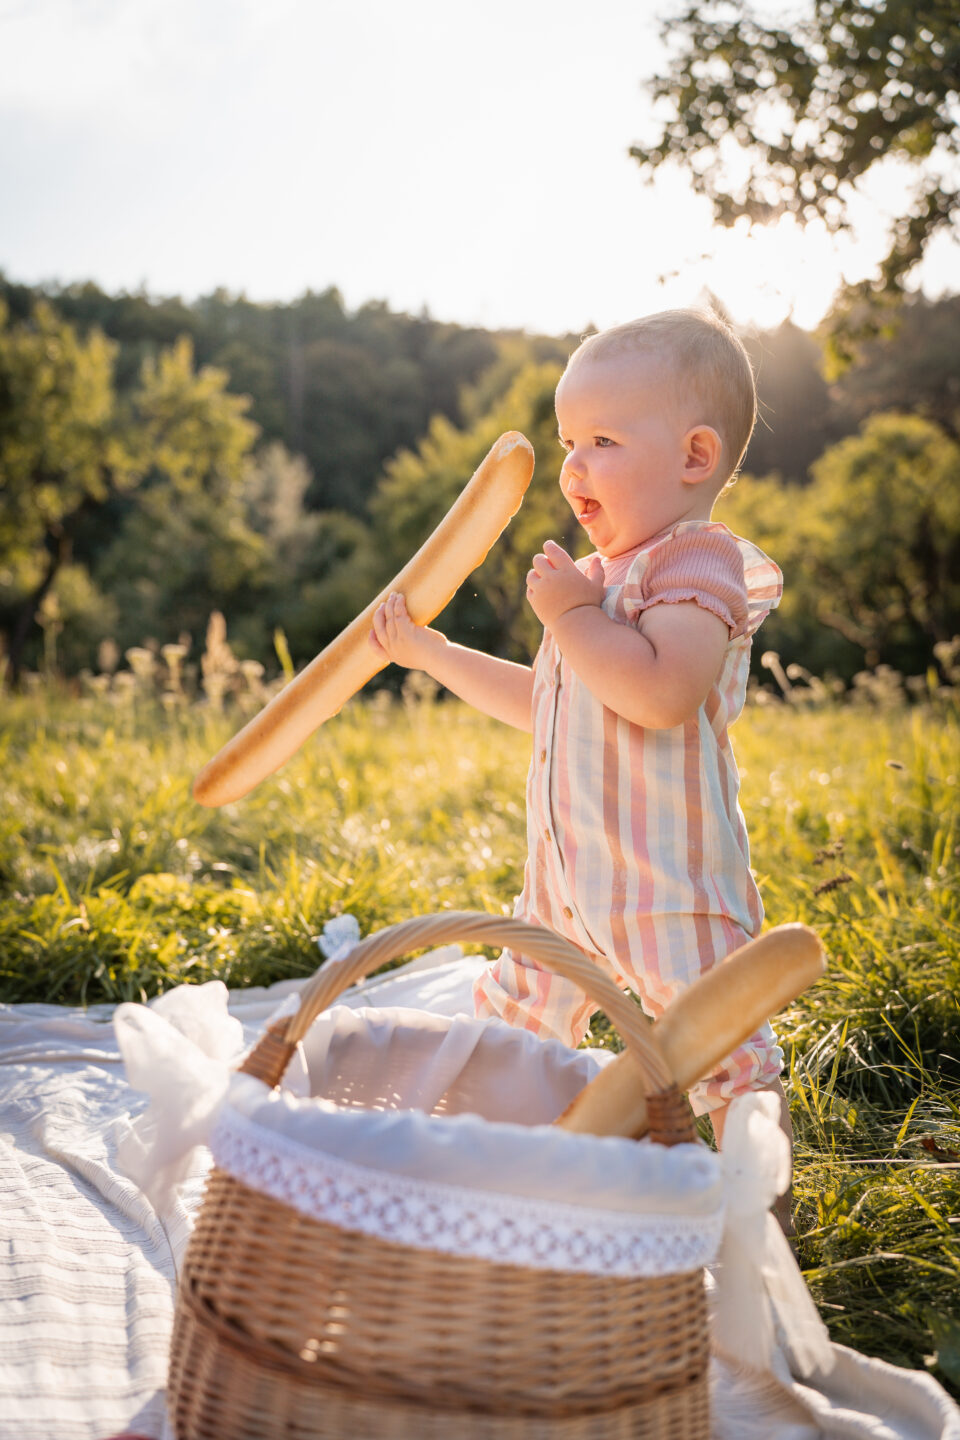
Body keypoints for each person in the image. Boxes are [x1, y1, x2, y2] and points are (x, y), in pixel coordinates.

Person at [370, 308, 792, 1218]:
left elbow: (660, 691)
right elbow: (548, 706)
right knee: (512, 1019)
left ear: (693, 457)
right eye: (569, 440)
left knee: (724, 1051)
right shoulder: (596, 588)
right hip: (565, 885)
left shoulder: (699, 562)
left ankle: (764, 1220)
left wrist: (569, 617)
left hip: (667, 882)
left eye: (601, 439)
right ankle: (488, 1172)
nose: (573, 466)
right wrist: (432, 652)